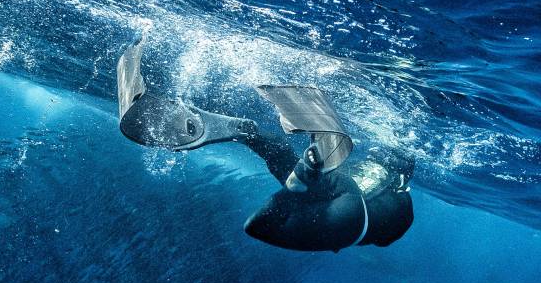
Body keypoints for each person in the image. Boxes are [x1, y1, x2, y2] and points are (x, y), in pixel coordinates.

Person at [117, 37, 413, 252]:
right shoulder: (393, 202)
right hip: (340, 221)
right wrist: (300, 187)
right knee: (275, 199)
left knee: (312, 177)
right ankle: (262, 145)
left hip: (350, 216)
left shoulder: (397, 201)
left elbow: (367, 186)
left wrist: (308, 182)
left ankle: (297, 170)